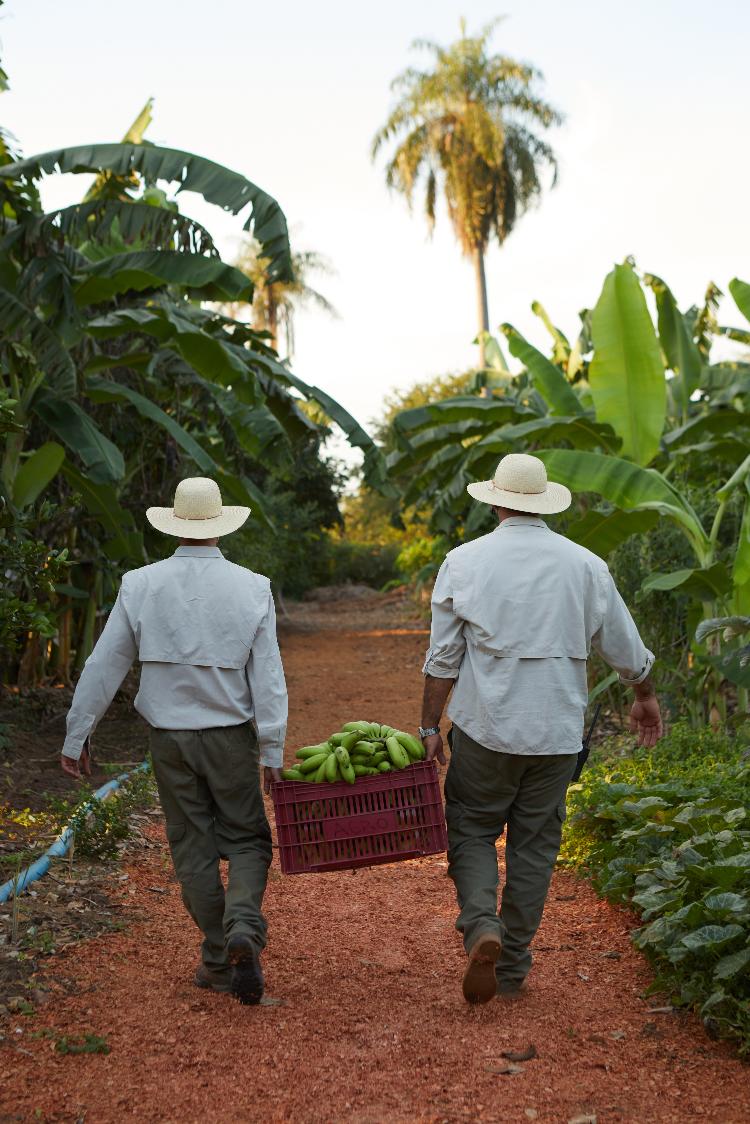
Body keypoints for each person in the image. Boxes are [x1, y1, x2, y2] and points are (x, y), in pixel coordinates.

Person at [419, 453, 662, 1005]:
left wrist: (428, 725)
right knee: (533, 847)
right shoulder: (585, 566)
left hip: (485, 732)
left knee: (473, 830)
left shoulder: (464, 561)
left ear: (497, 500)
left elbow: (443, 659)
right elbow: (625, 649)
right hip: (556, 736)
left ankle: (482, 923)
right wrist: (644, 694)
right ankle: (513, 967)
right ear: (542, 501)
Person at [60, 477, 287, 1005]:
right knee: (250, 841)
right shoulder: (252, 586)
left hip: (169, 741)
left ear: (176, 524)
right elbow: (268, 678)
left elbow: (106, 662)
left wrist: (78, 734)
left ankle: (216, 956)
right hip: (230, 738)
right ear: (219, 524)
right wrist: (272, 749)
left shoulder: (140, 584)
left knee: (192, 847)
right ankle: (243, 931)